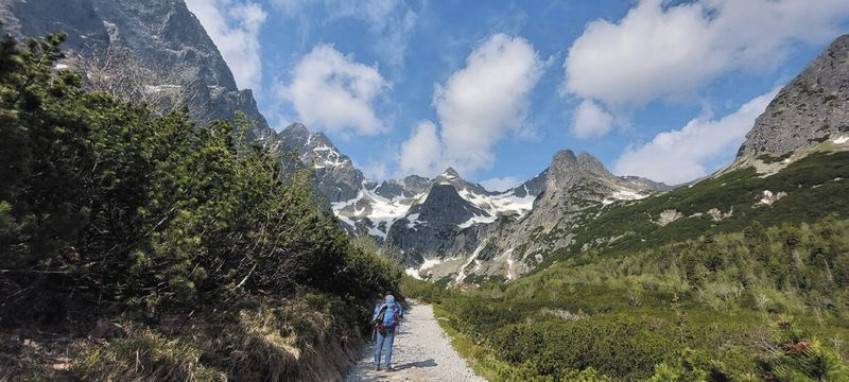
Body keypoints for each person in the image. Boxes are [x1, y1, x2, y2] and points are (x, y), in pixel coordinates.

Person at [373, 293, 403, 371]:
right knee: (388, 347)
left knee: (378, 347)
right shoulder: (396, 305)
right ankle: (387, 366)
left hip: (380, 328)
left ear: (385, 299)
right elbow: (401, 315)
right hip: (391, 329)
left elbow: (375, 316)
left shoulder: (380, 305)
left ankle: (377, 365)